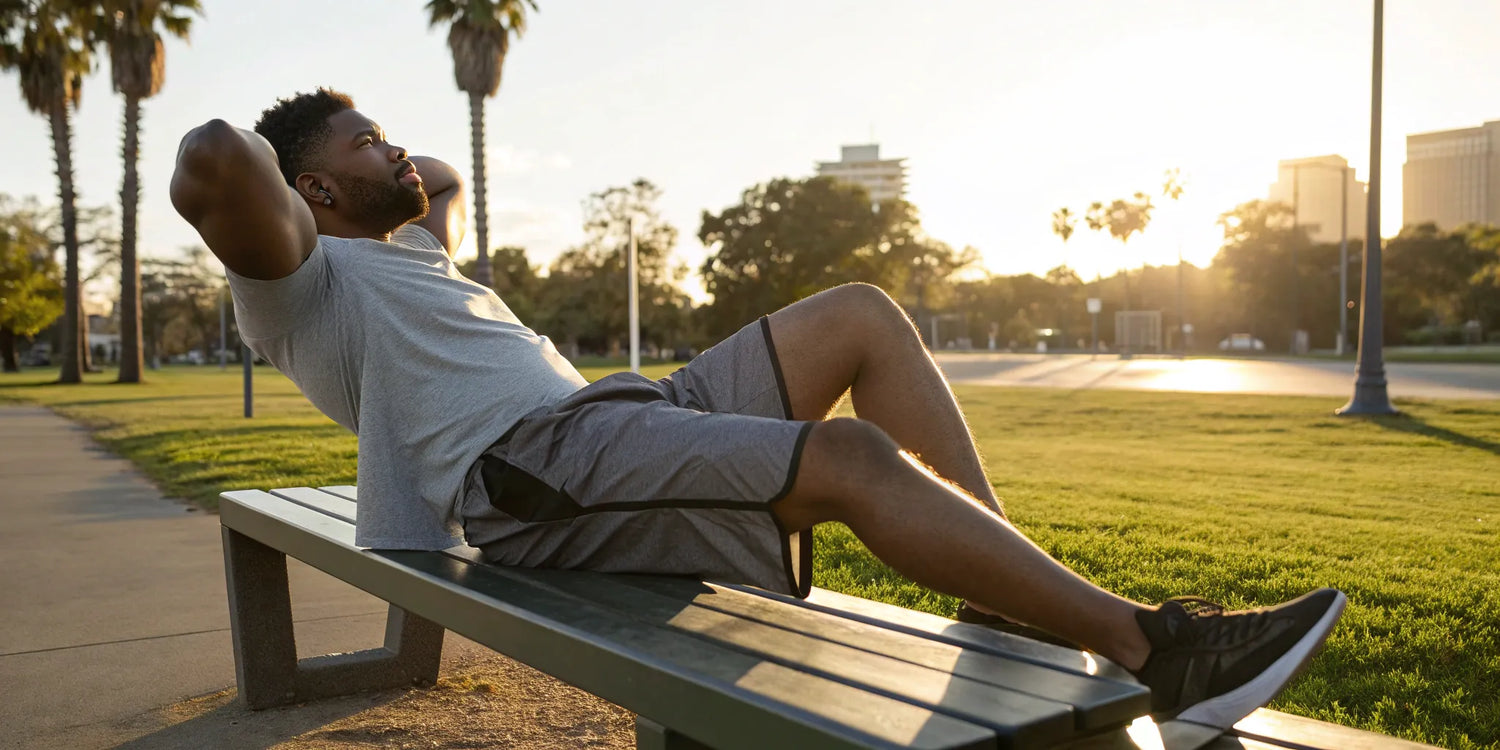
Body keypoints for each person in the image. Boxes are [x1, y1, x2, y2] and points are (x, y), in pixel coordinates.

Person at [170, 88, 1345, 729]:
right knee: (848, 457)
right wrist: (335, 170)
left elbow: (452, 191)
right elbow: (216, 154)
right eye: (370, 140)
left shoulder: (408, 252)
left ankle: (1011, 609)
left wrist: (394, 169)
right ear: (311, 189)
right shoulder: (299, 284)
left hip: (619, 416)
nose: (402, 150)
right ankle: (1165, 649)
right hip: (534, 472)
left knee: (864, 315)